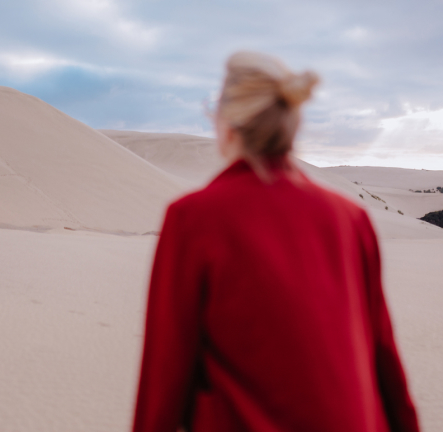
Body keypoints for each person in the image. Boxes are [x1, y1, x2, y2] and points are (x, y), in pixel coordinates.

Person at [132, 51, 419, 432]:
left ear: (228, 121)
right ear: (292, 122)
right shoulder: (352, 218)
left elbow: (165, 375)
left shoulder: (194, 218)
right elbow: (383, 357)